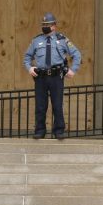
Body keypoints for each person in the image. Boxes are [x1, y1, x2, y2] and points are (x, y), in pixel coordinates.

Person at [23, 12, 81, 140]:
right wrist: (29, 67)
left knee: (57, 104)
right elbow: (27, 57)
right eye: (43, 24)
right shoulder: (36, 40)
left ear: (54, 26)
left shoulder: (62, 39)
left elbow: (76, 54)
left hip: (56, 76)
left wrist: (73, 70)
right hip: (41, 77)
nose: (45, 26)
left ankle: (59, 131)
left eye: (47, 24)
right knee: (40, 105)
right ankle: (39, 131)